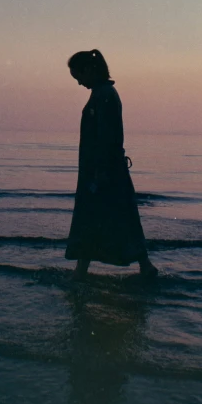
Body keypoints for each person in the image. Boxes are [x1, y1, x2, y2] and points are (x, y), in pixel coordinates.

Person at [65, 49, 158, 281]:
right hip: (103, 169)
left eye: (78, 76)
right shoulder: (102, 93)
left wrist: (101, 173)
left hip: (103, 171)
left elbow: (109, 137)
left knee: (101, 217)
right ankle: (142, 266)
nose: (78, 83)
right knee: (113, 216)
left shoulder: (105, 95)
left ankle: (142, 267)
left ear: (90, 70)